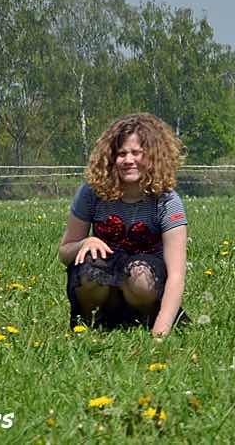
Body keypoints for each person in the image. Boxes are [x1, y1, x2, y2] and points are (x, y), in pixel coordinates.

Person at [57, 113, 189, 337]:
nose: (129, 160)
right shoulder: (91, 192)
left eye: (137, 153)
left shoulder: (168, 201)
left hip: (146, 285)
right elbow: (64, 252)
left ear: (153, 157)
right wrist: (84, 243)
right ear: (110, 158)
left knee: (140, 277)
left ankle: (145, 321)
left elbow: (177, 275)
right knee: (89, 269)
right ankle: (90, 326)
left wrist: (160, 334)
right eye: (121, 154)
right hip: (105, 280)